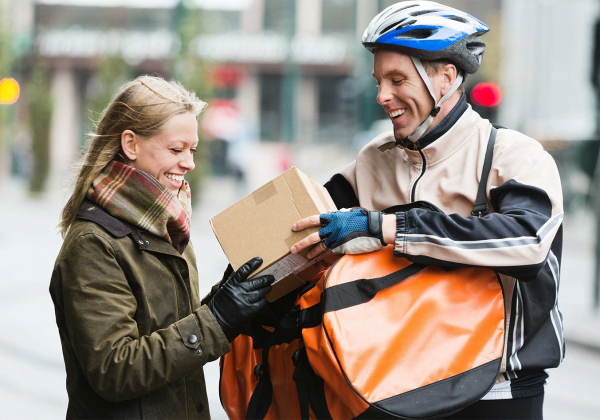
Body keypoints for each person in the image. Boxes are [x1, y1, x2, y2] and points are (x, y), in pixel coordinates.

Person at [291, 2, 563, 419]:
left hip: (499, 390)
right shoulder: (374, 159)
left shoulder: (513, 155)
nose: (383, 96)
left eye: (397, 79)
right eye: (379, 81)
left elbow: (527, 243)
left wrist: (385, 226)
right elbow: (305, 224)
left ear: (446, 78)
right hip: (394, 388)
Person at [49, 75, 274, 420]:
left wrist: (227, 299)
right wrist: (217, 318)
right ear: (131, 144)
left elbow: (172, 326)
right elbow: (114, 370)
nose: (189, 163)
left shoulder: (168, 223)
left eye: (192, 150)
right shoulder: (94, 243)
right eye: (175, 149)